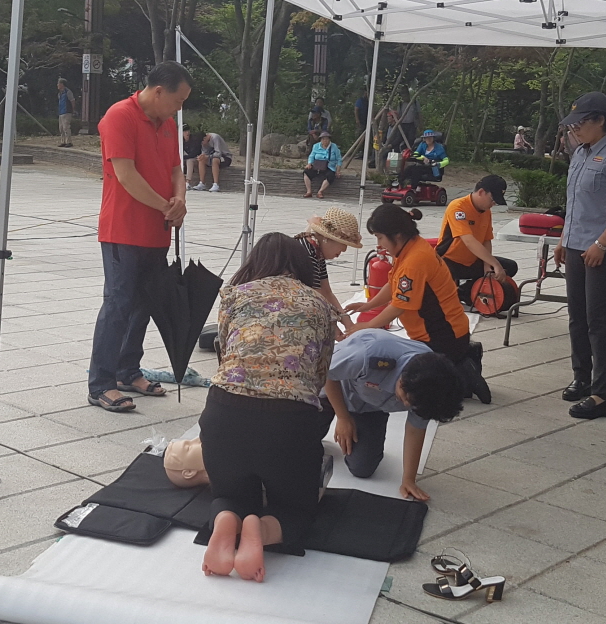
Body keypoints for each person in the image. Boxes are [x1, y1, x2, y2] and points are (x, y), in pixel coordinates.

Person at [201, 233, 337, 582]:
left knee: (229, 492)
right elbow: (320, 374)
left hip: (223, 412)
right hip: (288, 421)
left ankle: (226, 519)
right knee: (296, 507)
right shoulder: (320, 305)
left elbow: (224, 354)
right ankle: (259, 532)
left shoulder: (234, 294)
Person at [88, 62, 191, 412]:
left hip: (157, 231)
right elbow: (126, 175)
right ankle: (100, 383)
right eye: (178, 101)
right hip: (124, 229)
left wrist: (179, 200)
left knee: (145, 304)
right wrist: (166, 206)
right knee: (118, 304)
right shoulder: (120, 116)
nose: (179, 108)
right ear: (159, 91)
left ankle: (128, 370)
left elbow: (176, 170)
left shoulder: (168, 124)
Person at [345, 204, 489, 404]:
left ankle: (462, 369)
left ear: (397, 235)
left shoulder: (415, 259)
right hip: (448, 331)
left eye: (379, 237)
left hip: (442, 337)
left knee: (409, 382)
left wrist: (367, 326)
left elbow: (399, 306)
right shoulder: (410, 248)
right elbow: (393, 284)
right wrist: (367, 306)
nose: (379, 244)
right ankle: (460, 362)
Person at [552, 93, 606, 419]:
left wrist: (601, 244)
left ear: (600, 121)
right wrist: (564, 239)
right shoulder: (580, 153)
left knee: (597, 321)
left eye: (581, 123)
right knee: (576, 316)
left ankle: (602, 395)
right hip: (576, 245)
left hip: (603, 249)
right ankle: (581, 377)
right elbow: (574, 204)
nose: (575, 129)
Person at [321, 330, 464, 501]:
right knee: (303, 442)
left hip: (368, 407)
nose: (406, 406)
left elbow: (415, 430)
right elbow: (327, 373)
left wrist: (408, 480)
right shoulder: (366, 355)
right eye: (404, 399)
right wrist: (343, 417)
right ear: (402, 380)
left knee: (362, 468)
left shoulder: (431, 388)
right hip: (332, 389)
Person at [437, 173, 517, 292]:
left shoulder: (486, 212)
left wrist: (487, 265)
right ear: (481, 192)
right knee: (446, 281)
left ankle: (466, 291)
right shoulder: (458, 207)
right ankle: (459, 293)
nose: (493, 204)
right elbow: (468, 241)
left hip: (473, 261)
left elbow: (486, 239)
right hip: (449, 260)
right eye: (492, 200)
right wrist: (495, 264)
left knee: (510, 267)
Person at [294, 207, 361, 326]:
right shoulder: (307, 251)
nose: (344, 250)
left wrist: (344, 318)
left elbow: (327, 291)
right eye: (343, 244)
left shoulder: (317, 251)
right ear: (327, 239)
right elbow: (317, 296)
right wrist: (334, 325)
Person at [303, 130, 342, 198]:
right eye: (323, 139)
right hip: (317, 165)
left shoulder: (334, 147)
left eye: (327, 139)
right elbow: (312, 156)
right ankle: (309, 191)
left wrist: (338, 170)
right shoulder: (316, 146)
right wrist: (309, 163)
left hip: (329, 166)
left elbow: (339, 159)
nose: (325, 141)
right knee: (306, 172)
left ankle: (320, 192)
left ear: (329, 139)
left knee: (330, 175)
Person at [57, 78, 76, 146]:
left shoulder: (68, 92)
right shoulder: (60, 93)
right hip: (61, 112)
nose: (57, 85)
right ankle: (63, 141)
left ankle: (69, 142)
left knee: (66, 127)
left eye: (58, 83)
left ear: (62, 84)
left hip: (67, 111)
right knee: (61, 128)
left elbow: (72, 101)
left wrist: (72, 109)